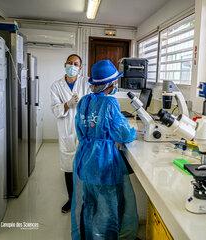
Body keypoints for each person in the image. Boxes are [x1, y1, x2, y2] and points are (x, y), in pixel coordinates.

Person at [71, 60, 138, 240]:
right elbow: (123, 134)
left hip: (84, 159)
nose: (115, 85)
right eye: (114, 82)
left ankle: (88, 236)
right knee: (107, 209)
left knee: (89, 203)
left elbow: (79, 129)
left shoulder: (84, 101)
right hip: (103, 161)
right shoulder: (110, 103)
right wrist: (135, 131)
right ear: (109, 84)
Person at [50, 54, 90, 213]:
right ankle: (72, 199)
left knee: (85, 165)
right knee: (68, 166)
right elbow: (55, 109)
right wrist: (68, 104)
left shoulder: (86, 83)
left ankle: (85, 199)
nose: (72, 66)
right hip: (66, 129)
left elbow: (93, 101)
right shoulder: (56, 86)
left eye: (76, 64)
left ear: (80, 67)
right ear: (65, 64)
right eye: (70, 63)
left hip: (84, 129)